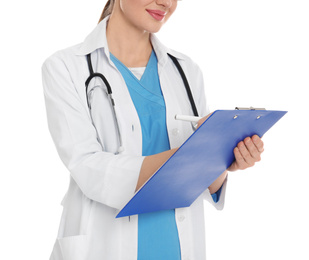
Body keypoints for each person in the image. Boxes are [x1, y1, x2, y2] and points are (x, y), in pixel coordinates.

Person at [42, 0, 264, 259]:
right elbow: (88, 168)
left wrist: (221, 158)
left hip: (177, 247)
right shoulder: (66, 67)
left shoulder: (186, 70)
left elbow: (200, 182)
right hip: (106, 246)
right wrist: (188, 156)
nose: (166, 3)